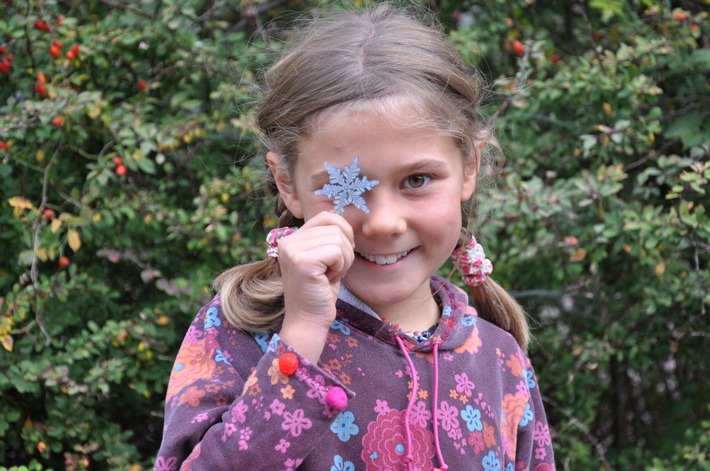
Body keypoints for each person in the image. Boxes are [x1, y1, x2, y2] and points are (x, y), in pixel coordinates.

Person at [155, 4, 555, 471]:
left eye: (418, 179)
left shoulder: (501, 361)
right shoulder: (237, 336)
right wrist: (300, 339)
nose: (383, 223)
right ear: (288, 183)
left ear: (469, 167)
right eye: (346, 188)